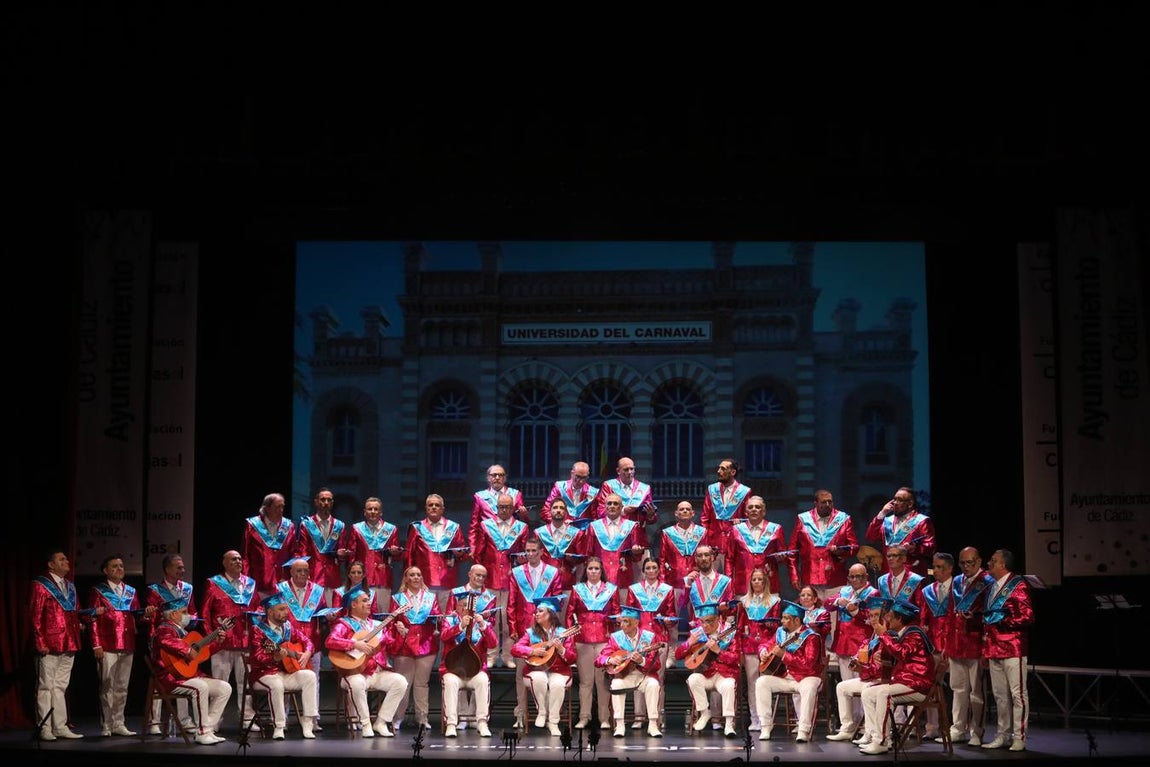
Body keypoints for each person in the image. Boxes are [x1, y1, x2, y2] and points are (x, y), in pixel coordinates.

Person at [149, 597, 233, 745]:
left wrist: (218, 643)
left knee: (225, 688)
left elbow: (201, 654)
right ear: (174, 614)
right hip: (170, 678)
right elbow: (165, 641)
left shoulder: (184, 632)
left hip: (188, 676)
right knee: (201, 687)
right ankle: (201, 732)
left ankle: (207, 728)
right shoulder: (164, 628)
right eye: (184, 612)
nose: (189, 615)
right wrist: (187, 650)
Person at [325, 590, 409, 738]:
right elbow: (330, 641)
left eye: (369, 600)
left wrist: (401, 635)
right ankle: (365, 724)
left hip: (377, 672)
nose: (369, 603)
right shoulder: (343, 623)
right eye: (364, 600)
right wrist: (354, 644)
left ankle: (381, 722)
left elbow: (393, 649)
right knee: (357, 683)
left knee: (401, 682)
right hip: (353, 673)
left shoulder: (378, 625)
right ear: (353, 604)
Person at [857, 600, 936, 755]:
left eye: (891, 617)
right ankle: (875, 737)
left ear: (900, 619)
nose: (888, 620)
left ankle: (882, 741)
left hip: (918, 683)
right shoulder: (903, 634)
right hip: (905, 680)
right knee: (868, 692)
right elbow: (900, 657)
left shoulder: (914, 634)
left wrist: (884, 635)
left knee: (883, 694)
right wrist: (885, 657)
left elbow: (903, 653)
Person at [88, 554, 148, 737]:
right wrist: (96, 644)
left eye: (121, 565)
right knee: (107, 686)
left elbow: (136, 616)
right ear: (106, 570)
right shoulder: (98, 591)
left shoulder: (131, 591)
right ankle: (106, 724)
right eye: (114, 566)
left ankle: (118, 722)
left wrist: (146, 615)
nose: (119, 569)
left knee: (122, 686)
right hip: (106, 644)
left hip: (127, 643)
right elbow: (92, 619)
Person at [982, 549, 1034, 752]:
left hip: (1013, 646)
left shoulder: (1018, 584)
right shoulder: (992, 587)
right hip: (994, 647)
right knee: (1000, 695)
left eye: (993, 561)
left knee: (1017, 694)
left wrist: (1004, 621)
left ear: (1003, 565)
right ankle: (1002, 735)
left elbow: (1027, 616)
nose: (989, 563)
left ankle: (1019, 736)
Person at [31, 549, 86, 741]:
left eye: (67, 559)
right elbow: (35, 616)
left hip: (69, 641)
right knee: (46, 686)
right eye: (61, 559)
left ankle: (60, 726)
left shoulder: (70, 586)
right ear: (51, 564)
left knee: (61, 686)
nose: (67, 561)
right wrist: (40, 641)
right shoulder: (41, 585)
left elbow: (76, 610)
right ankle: (44, 727)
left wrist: (82, 621)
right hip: (50, 642)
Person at [200, 549, 259, 728]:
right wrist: (212, 638)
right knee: (219, 684)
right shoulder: (213, 583)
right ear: (224, 563)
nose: (238, 562)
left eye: (240, 559)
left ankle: (247, 718)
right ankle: (214, 720)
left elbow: (257, 610)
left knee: (246, 683)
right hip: (222, 643)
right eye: (233, 559)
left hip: (245, 640)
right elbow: (205, 613)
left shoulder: (250, 583)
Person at [507, 537, 562, 724]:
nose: (530, 554)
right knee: (521, 674)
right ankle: (520, 715)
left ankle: (546, 714)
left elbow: (557, 602)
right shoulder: (516, 573)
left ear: (541, 552)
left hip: (545, 630)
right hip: (524, 629)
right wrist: (513, 627)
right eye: (527, 551)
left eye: (533, 551)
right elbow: (511, 603)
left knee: (547, 673)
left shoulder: (552, 572)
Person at [248, 592, 318, 739]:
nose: (286, 612)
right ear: (270, 611)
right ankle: (279, 726)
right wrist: (274, 658)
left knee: (310, 676)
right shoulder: (258, 629)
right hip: (263, 674)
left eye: (286, 609)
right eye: (281, 609)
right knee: (276, 684)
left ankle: (308, 723)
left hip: (285, 673)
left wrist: (307, 653)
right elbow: (257, 657)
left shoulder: (288, 627)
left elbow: (308, 641)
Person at [470, 493, 528, 667]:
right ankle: (491, 654)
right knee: (490, 620)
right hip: (490, 579)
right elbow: (479, 552)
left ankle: (508, 656)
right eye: (501, 507)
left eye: (508, 507)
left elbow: (524, 553)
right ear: (496, 508)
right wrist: (480, 579)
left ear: (513, 508)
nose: (504, 510)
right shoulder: (485, 525)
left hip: (512, 580)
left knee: (509, 620)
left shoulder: (522, 527)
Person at [755, 600, 826, 742]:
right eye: (783, 617)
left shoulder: (811, 637)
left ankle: (803, 730)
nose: (782, 621)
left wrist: (784, 656)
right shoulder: (781, 632)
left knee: (809, 687)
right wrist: (763, 651)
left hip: (808, 676)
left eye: (786, 618)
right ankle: (765, 726)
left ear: (797, 620)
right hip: (786, 677)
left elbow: (809, 665)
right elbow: (765, 644)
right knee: (761, 682)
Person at [948, 546, 995, 746]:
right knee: (958, 689)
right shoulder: (956, 581)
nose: (966, 566)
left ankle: (977, 731)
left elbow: (993, 614)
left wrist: (975, 619)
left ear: (979, 561)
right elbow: (950, 613)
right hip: (957, 643)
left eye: (970, 562)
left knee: (977, 692)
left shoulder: (988, 582)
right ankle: (958, 728)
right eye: (963, 563)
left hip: (976, 643)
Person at [826, 596, 890, 742]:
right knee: (842, 687)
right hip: (870, 677)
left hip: (883, 680)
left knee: (868, 690)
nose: (873, 619)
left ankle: (870, 732)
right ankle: (847, 728)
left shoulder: (889, 636)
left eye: (877, 616)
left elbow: (883, 668)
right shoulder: (871, 636)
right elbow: (861, 654)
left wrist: (863, 669)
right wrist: (857, 662)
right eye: (871, 615)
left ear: (885, 617)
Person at [275, 556, 328, 732]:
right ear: (291, 571)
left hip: (312, 641)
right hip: (287, 642)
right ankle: (282, 718)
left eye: (305, 570)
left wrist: (329, 617)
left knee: (314, 680)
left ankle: (312, 719)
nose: (302, 574)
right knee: (284, 677)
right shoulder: (280, 589)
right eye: (299, 570)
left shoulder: (318, 590)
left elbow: (323, 613)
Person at [145, 553, 196, 734]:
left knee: (183, 675)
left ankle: (184, 719)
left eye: (183, 567)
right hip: (163, 640)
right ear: (167, 569)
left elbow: (193, 613)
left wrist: (191, 620)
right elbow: (151, 618)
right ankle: (155, 721)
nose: (182, 570)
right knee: (161, 677)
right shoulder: (155, 590)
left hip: (182, 638)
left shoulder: (187, 589)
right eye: (178, 567)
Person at [511, 595, 577, 736]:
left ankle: (553, 722)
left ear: (550, 614)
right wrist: (532, 650)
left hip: (560, 671)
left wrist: (561, 650)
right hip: (535, 669)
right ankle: (541, 711)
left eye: (540, 611)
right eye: (536, 612)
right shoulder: (530, 633)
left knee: (557, 685)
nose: (536, 614)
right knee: (540, 678)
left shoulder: (563, 633)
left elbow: (572, 658)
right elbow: (515, 649)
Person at [597, 604, 664, 738]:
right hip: (624, 675)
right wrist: (610, 660)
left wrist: (642, 661)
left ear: (636, 623)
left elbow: (657, 665)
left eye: (626, 621)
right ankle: (620, 725)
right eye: (621, 621)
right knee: (616, 685)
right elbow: (599, 659)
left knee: (653, 684)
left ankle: (652, 724)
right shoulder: (615, 637)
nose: (621, 624)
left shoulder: (649, 637)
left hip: (644, 675)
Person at [626, 556, 677, 729]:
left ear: (659, 570)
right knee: (638, 676)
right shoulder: (634, 589)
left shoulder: (667, 590)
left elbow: (672, 615)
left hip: (660, 638)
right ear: (643, 570)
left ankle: (657, 716)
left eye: (654, 567)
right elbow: (630, 615)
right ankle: (639, 716)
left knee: (658, 679)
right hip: (639, 639)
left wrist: (669, 621)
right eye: (648, 568)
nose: (651, 571)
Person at [567, 556, 618, 729]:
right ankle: (584, 717)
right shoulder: (578, 589)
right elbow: (569, 615)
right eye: (590, 569)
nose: (593, 572)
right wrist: (572, 639)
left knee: (603, 682)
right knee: (585, 682)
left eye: (597, 569)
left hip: (604, 640)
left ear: (601, 571)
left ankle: (604, 718)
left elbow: (617, 613)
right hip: (583, 641)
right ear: (585, 571)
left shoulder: (610, 589)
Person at [439, 587, 497, 738]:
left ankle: (482, 722)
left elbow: (493, 643)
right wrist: (460, 626)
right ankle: (451, 723)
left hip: (476, 669)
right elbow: (444, 637)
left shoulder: (481, 622)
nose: (465, 609)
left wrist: (483, 625)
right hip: (453, 669)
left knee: (483, 680)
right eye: (462, 605)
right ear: (457, 607)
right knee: (450, 682)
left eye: (468, 606)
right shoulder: (450, 620)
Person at [827, 563, 879, 730]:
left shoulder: (873, 593)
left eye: (860, 576)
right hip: (843, 643)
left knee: (863, 686)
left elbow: (872, 618)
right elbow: (827, 604)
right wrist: (837, 600)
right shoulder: (844, 591)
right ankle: (849, 724)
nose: (856, 580)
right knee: (846, 686)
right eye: (853, 576)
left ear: (866, 577)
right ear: (848, 578)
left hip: (861, 646)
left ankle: (865, 726)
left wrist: (854, 611)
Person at [677, 602, 741, 737]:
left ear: (718, 619)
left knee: (729, 685)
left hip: (725, 674)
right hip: (707, 674)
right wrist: (689, 643)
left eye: (708, 622)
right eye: (702, 622)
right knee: (693, 679)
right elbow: (678, 655)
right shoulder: (698, 633)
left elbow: (736, 659)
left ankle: (729, 724)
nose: (704, 625)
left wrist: (718, 651)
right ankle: (705, 712)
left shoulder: (730, 633)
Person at [390, 565, 441, 732]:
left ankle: (422, 718)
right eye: (412, 575)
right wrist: (397, 626)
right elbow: (391, 621)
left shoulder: (431, 597)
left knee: (422, 684)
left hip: (426, 644)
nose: (416, 578)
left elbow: (437, 616)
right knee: (403, 684)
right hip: (404, 645)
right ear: (406, 578)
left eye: (419, 574)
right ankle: (397, 718)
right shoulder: (397, 598)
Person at [788, 489, 859, 608]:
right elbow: (792, 551)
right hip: (810, 578)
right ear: (815, 503)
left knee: (834, 618)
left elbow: (854, 547)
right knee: (812, 619)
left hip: (835, 578)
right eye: (823, 502)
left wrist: (841, 552)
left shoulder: (843, 519)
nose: (827, 505)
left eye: (830, 502)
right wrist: (794, 575)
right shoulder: (803, 519)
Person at [736, 567, 781, 732]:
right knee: (752, 684)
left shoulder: (774, 601)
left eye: (760, 579)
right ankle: (755, 718)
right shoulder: (744, 601)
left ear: (765, 581)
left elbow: (778, 626)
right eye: (754, 579)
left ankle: (765, 719)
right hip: (749, 647)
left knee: (765, 684)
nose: (756, 582)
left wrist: (771, 625)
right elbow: (740, 628)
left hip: (767, 648)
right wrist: (739, 650)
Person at [405, 493, 467, 611]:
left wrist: (460, 554)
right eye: (430, 505)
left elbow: (463, 555)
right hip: (423, 582)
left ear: (442, 509)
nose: (433, 507)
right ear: (426, 508)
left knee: (445, 619)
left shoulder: (454, 527)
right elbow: (409, 556)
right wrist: (409, 581)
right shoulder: (417, 528)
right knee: (424, 618)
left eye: (437, 505)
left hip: (447, 581)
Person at [596, 458, 658, 571]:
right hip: (616, 538)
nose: (629, 472)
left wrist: (650, 515)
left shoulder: (644, 488)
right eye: (626, 469)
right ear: (618, 471)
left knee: (640, 577)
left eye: (632, 469)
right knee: (616, 574)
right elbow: (600, 511)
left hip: (638, 540)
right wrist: (623, 511)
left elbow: (651, 519)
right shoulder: (609, 486)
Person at [295, 487, 352, 604]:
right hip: (312, 577)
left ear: (332, 503)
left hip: (333, 578)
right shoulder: (306, 524)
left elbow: (342, 553)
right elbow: (302, 553)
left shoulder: (339, 525)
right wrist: (304, 575)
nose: (326, 503)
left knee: (332, 614)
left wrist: (342, 555)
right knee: (312, 615)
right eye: (323, 499)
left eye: (329, 500)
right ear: (316, 502)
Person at [920, 552, 955, 741]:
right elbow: (924, 618)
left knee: (957, 688)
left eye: (940, 567)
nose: (936, 571)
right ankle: (932, 727)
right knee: (931, 687)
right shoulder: (927, 591)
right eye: (934, 566)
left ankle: (958, 728)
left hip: (954, 645)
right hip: (933, 646)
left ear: (950, 568)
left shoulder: (957, 588)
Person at [725, 494, 789, 596]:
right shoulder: (735, 530)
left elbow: (783, 557)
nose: (754, 509)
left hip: (768, 583)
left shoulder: (776, 529)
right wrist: (728, 582)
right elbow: (729, 558)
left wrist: (781, 558)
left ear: (763, 512)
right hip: (743, 584)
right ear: (746, 512)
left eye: (757, 507)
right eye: (750, 507)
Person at [865, 486, 935, 576]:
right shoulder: (887, 521)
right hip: (888, 574)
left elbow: (931, 547)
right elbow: (870, 537)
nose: (895, 503)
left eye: (900, 500)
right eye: (894, 499)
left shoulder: (922, 521)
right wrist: (882, 514)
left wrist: (914, 549)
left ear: (910, 504)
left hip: (911, 575)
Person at [658, 500, 708, 623]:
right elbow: (662, 559)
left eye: (687, 509)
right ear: (676, 513)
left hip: (696, 583)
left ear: (692, 513)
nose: (684, 511)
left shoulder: (702, 532)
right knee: (671, 621)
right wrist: (663, 584)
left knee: (697, 621)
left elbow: (706, 559)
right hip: (674, 582)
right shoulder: (667, 533)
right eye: (681, 509)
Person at [349, 496, 402, 610]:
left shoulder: (391, 529)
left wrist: (395, 552)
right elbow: (352, 556)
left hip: (383, 579)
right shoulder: (356, 529)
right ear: (364, 512)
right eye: (370, 509)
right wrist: (351, 581)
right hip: (362, 580)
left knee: (382, 614)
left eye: (376, 509)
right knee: (361, 612)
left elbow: (397, 557)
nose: (373, 512)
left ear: (381, 512)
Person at [585, 494, 644, 592]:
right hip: (599, 578)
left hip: (623, 576)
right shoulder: (594, 526)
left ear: (621, 507)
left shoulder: (632, 526)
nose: (612, 506)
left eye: (615, 504)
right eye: (609, 503)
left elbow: (636, 557)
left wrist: (637, 553)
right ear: (605, 506)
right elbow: (589, 554)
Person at [243, 492, 297, 598]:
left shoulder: (289, 526)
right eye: (277, 507)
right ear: (267, 508)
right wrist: (246, 581)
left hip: (283, 584)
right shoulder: (252, 525)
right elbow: (245, 556)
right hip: (258, 584)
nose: (281, 510)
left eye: (282, 507)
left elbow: (294, 554)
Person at [469, 464, 530, 554]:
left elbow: (524, 523)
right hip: (489, 543)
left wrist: (523, 516)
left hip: (511, 541)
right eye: (494, 475)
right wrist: (473, 547)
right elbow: (474, 525)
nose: (497, 477)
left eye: (500, 475)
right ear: (488, 478)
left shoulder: (516, 494)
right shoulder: (479, 496)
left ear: (505, 478)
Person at [700, 458, 752, 564]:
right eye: (719, 468)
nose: (719, 471)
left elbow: (749, 519)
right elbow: (705, 518)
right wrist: (706, 544)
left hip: (735, 546)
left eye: (723, 469)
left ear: (733, 472)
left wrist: (741, 522)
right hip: (713, 547)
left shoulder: (745, 492)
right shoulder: (712, 490)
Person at [533, 498, 588, 598]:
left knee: (566, 614)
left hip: (568, 583)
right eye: (555, 507)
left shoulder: (577, 533)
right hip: (543, 583)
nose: (558, 510)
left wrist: (578, 584)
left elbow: (581, 563)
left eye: (561, 508)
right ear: (550, 511)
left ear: (566, 512)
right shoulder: (539, 533)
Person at [684, 544, 734, 623]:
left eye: (706, 555)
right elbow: (681, 606)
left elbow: (732, 611)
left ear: (712, 557)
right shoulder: (688, 581)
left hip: (719, 629)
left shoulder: (725, 581)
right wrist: (688, 586)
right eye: (700, 556)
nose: (703, 558)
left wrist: (726, 608)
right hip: (697, 631)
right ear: (695, 559)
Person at [876, 544, 926, 612]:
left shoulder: (915, 580)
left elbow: (921, 608)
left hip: (910, 621)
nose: (890, 558)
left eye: (895, 555)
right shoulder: (881, 580)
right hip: (886, 621)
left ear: (904, 558)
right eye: (888, 556)